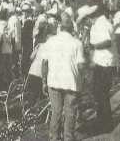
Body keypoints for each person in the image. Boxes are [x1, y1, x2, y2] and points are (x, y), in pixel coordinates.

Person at [42, 12, 86, 141]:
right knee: (70, 112)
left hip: (54, 80)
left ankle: (54, 137)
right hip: (71, 81)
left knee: (56, 111)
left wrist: (44, 81)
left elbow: (44, 63)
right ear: (72, 30)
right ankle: (68, 137)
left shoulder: (50, 41)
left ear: (60, 28)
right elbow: (81, 66)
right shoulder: (77, 43)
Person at [88, 4, 119, 134]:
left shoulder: (100, 25)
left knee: (101, 93)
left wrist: (94, 46)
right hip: (105, 61)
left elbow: (107, 42)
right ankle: (102, 120)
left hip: (104, 63)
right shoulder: (103, 22)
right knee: (100, 92)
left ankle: (106, 123)